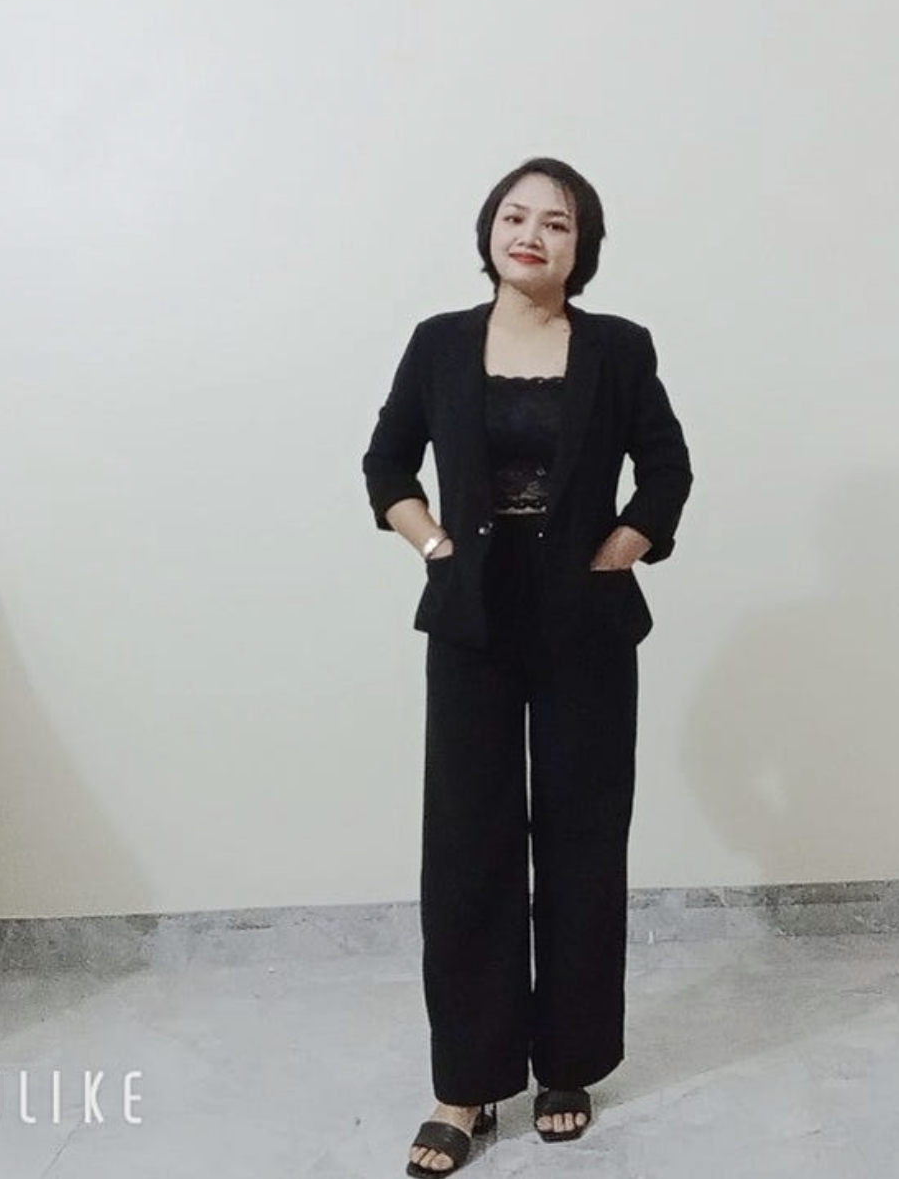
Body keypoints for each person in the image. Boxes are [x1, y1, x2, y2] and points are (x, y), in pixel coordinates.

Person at [362, 158, 693, 1175]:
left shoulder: (618, 348)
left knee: (583, 839)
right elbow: (386, 464)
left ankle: (569, 1064)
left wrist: (618, 549)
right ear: (489, 230)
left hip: (585, 623)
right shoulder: (440, 342)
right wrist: (435, 545)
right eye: (515, 215)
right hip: (473, 621)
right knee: (469, 845)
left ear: (581, 247)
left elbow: (667, 468)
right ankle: (466, 1084)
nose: (532, 234)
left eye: (557, 222)